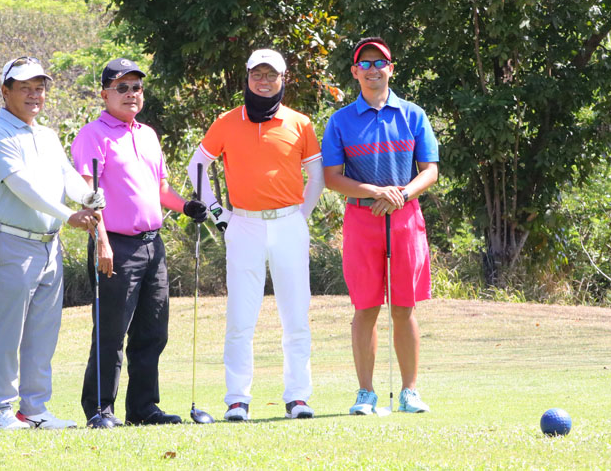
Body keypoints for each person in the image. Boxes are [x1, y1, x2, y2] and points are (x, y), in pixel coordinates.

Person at [187, 49, 324, 421]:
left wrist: (299, 217)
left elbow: (316, 177)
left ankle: (298, 397)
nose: (264, 81)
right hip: (243, 224)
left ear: (283, 78)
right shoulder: (226, 122)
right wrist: (219, 214)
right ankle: (237, 399)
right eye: (257, 74)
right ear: (247, 77)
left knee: (296, 316)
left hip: (289, 224)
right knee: (240, 317)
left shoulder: (300, 123)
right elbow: (197, 165)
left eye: (271, 75)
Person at [71, 58, 208, 426]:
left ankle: (143, 408)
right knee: (111, 332)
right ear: (105, 95)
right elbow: (88, 195)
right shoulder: (92, 135)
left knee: (152, 332)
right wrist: (101, 242)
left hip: (151, 246)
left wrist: (186, 206)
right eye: (122, 87)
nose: (131, 94)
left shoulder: (147, 134)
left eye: (136, 87)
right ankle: (100, 409)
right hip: (115, 245)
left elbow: (160, 188)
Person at [0, 56, 104, 430]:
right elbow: (23, 187)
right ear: (6, 92)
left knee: (42, 332)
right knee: (8, 331)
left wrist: (88, 196)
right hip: (10, 243)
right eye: (25, 88)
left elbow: (67, 176)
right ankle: (1, 410)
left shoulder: (46, 135)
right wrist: (69, 215)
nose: (35, 95)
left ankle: (33, 408)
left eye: (40, 88)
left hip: (49, 246)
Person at [321, 37, 439, 415]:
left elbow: (430, 171)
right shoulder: (340, 121)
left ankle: (410, 392)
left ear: (391, 69)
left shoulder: (413, 115)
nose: (373, 70)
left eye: (379, 63)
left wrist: (400, 194)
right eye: (365, 64)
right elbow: (332, 178)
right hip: (362, 217)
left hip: (405, 218)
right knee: (366, 307)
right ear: (355, 72)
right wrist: (375, 191)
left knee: (404, 307)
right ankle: (366, 394)